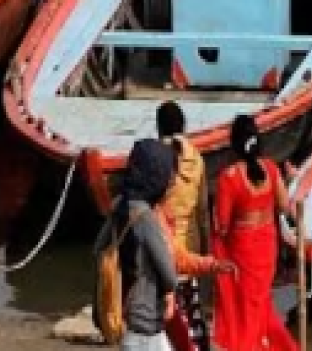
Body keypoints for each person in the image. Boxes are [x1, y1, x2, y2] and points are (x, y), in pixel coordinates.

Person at [212, 115, 298, 351]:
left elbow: (221, 225)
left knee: (245, 305)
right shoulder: (271, 168)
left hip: (243, 248)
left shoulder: (228, 178)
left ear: (234, 144)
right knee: (259, 302)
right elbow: (283, 206)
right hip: (266, 246)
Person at [94, 138, 180, 351]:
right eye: (169, 174)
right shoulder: (145, 218)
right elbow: (169, 276)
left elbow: (98, 250)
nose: (172, 181)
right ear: (156, 176)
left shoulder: (119, 206)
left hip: (125, 321)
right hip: (147, 328)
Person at [158, 101, 208, 256]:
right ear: (183, 126)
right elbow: (203, 211)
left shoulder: (153, 157)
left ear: (159, 127)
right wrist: (205, 249)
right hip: (190, 247)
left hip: (161, 247)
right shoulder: (196, 158)